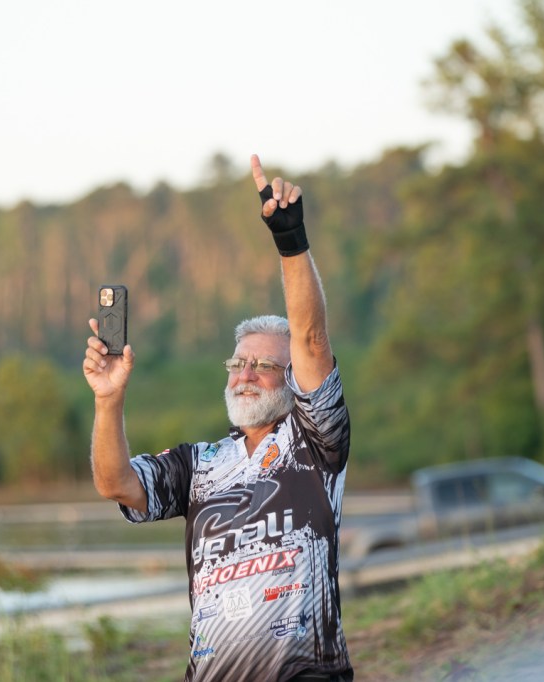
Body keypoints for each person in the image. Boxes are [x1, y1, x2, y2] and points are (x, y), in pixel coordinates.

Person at [83, 155, 352, 681]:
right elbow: (115, 483)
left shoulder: (314, 442)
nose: (245, 374)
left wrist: (290, 240)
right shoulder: (198, 464)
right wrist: (108, 399)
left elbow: (311, 337)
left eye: (264, 365)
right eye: (238, 363)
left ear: (294, 377)